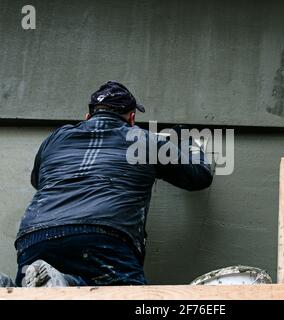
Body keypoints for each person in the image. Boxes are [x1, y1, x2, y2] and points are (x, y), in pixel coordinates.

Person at [13, 81, 213, 287]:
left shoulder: (56, 137)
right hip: (102, 236)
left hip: (35, 236)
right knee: (127, 294)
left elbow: (39, 181)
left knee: (43, 291)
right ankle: (65, 283)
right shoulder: (145, 140)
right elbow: (199, 176)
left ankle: (57, 282)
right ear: (132, 117)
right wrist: (187, 141)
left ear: (88, 116)